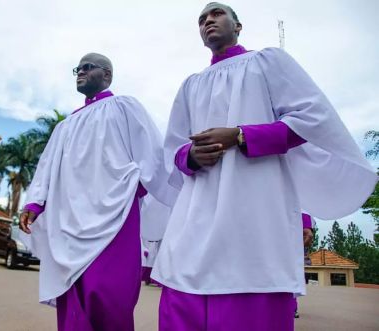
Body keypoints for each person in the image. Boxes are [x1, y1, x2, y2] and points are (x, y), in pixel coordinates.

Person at [152, 2, 377, 331]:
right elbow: (173, 147)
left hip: (255, 204)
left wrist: (241, 135)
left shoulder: (267, 61)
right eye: (201, 19)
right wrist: (191, 157)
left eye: (216, 14)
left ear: (238, 25)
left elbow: (312, 119)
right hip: (196, 209)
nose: (208, 21)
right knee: (180, 288)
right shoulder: (191, 85)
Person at [19, 53, 176, 331]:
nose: (80, 72)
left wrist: (136, 188)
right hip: (67, 223)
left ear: (107, 75)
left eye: (88, 67)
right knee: (74, 296)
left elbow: (151, 152)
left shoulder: (124, 107)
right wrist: (34, 205)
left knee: (108, 297)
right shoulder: (64, 126)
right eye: (77, 68)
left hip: (114, 218)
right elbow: (46, 168)